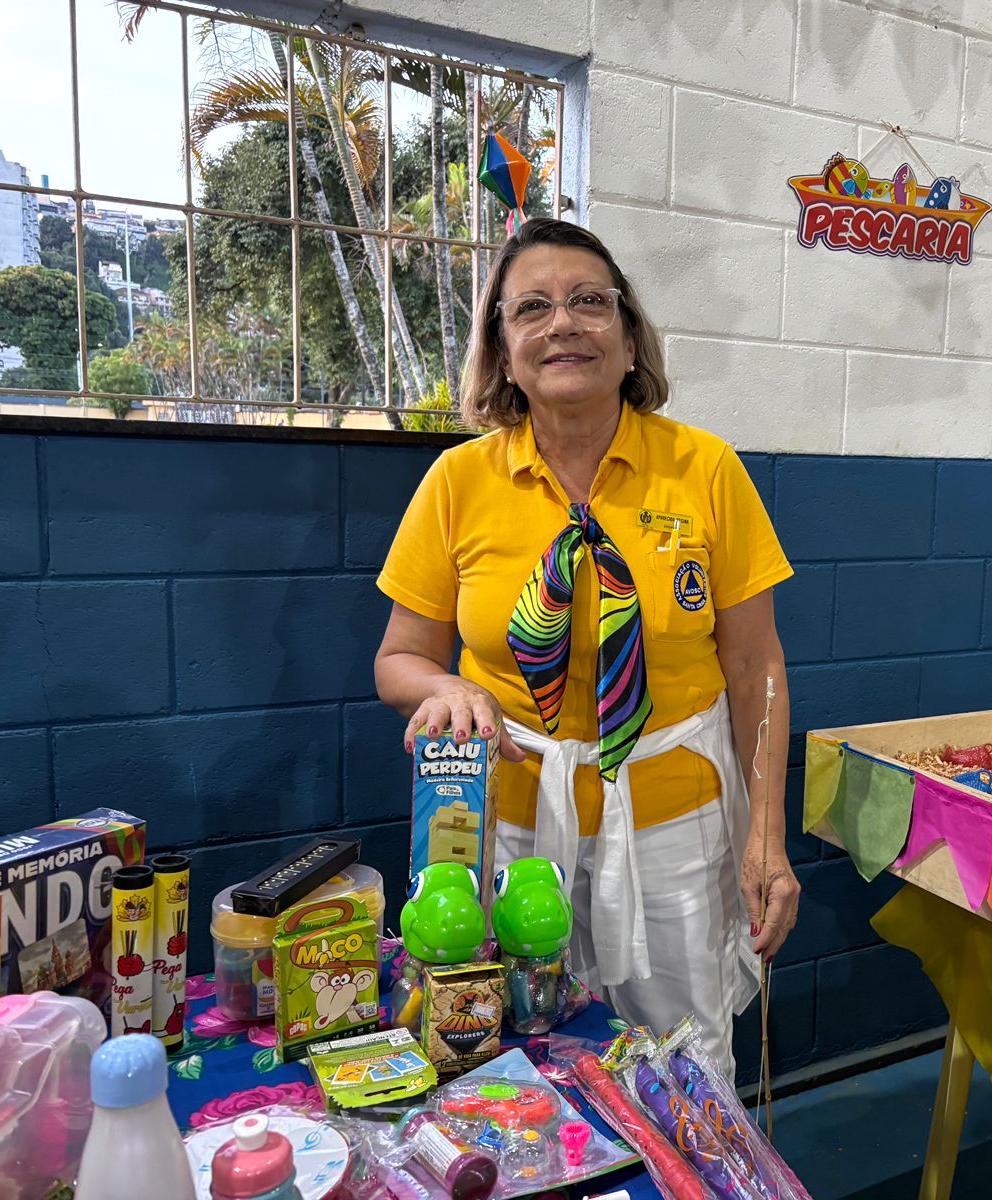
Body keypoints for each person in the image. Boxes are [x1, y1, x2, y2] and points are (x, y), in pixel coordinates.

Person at [373, 218, 800, 1068]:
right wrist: (446, 689)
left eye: (589, 302)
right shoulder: (457, 482)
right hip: (510, 828)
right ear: (503, 351)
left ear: (630, 340)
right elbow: (398, 660)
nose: (563, 322)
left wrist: (766, 835)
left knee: (684, 1063)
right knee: (514, 1056)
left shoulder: (706, 470)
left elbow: (757, 666)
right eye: (531, 307)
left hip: (677, 829)